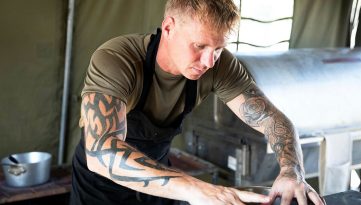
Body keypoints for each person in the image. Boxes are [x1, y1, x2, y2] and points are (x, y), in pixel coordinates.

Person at [70, 0, 325, 204]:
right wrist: (199, 190)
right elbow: (101, 151)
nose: (209, 62)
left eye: (217, 49)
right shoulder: (117, 59)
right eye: (199, 45)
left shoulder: (219, 64)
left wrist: (292, 170)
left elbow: (273, 120)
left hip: (161, 185)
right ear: (168, 27)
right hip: (101, 188)